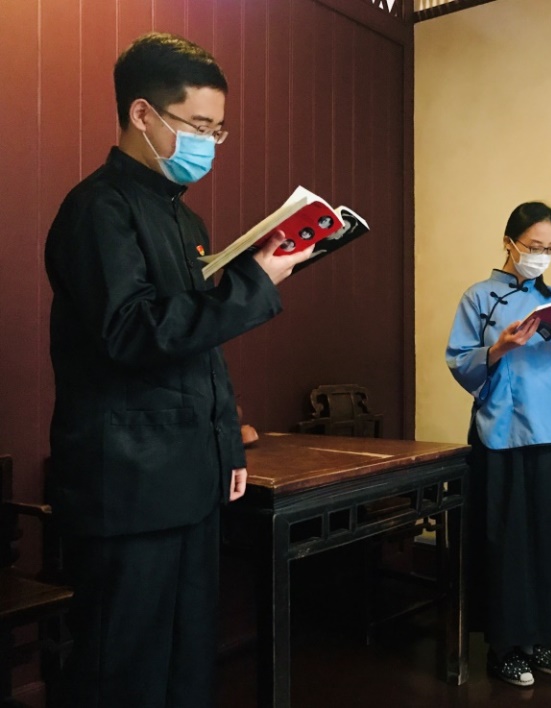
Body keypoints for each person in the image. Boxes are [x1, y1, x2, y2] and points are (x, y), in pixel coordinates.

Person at [44, 32, 316, 708]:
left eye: (217, 131)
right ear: (142, 114)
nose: (209, 143)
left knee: (188, 659)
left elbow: (198, 348)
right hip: (127, 486)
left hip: (189, 477)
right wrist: (254, 283)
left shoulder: (184, 219)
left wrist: (228, 445)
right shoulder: (97, 209)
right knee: (121, 669)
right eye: (197, 125)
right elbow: (132, 332)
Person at [445, 201, 551, 687]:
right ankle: (505, 646)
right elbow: (460, 363)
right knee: (506, 543)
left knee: (550, 538)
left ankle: (541, 637)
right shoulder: (479, 297)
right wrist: (500, 347)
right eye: (534, 246)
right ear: (509, 243)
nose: (542, 255)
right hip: (500, 433)